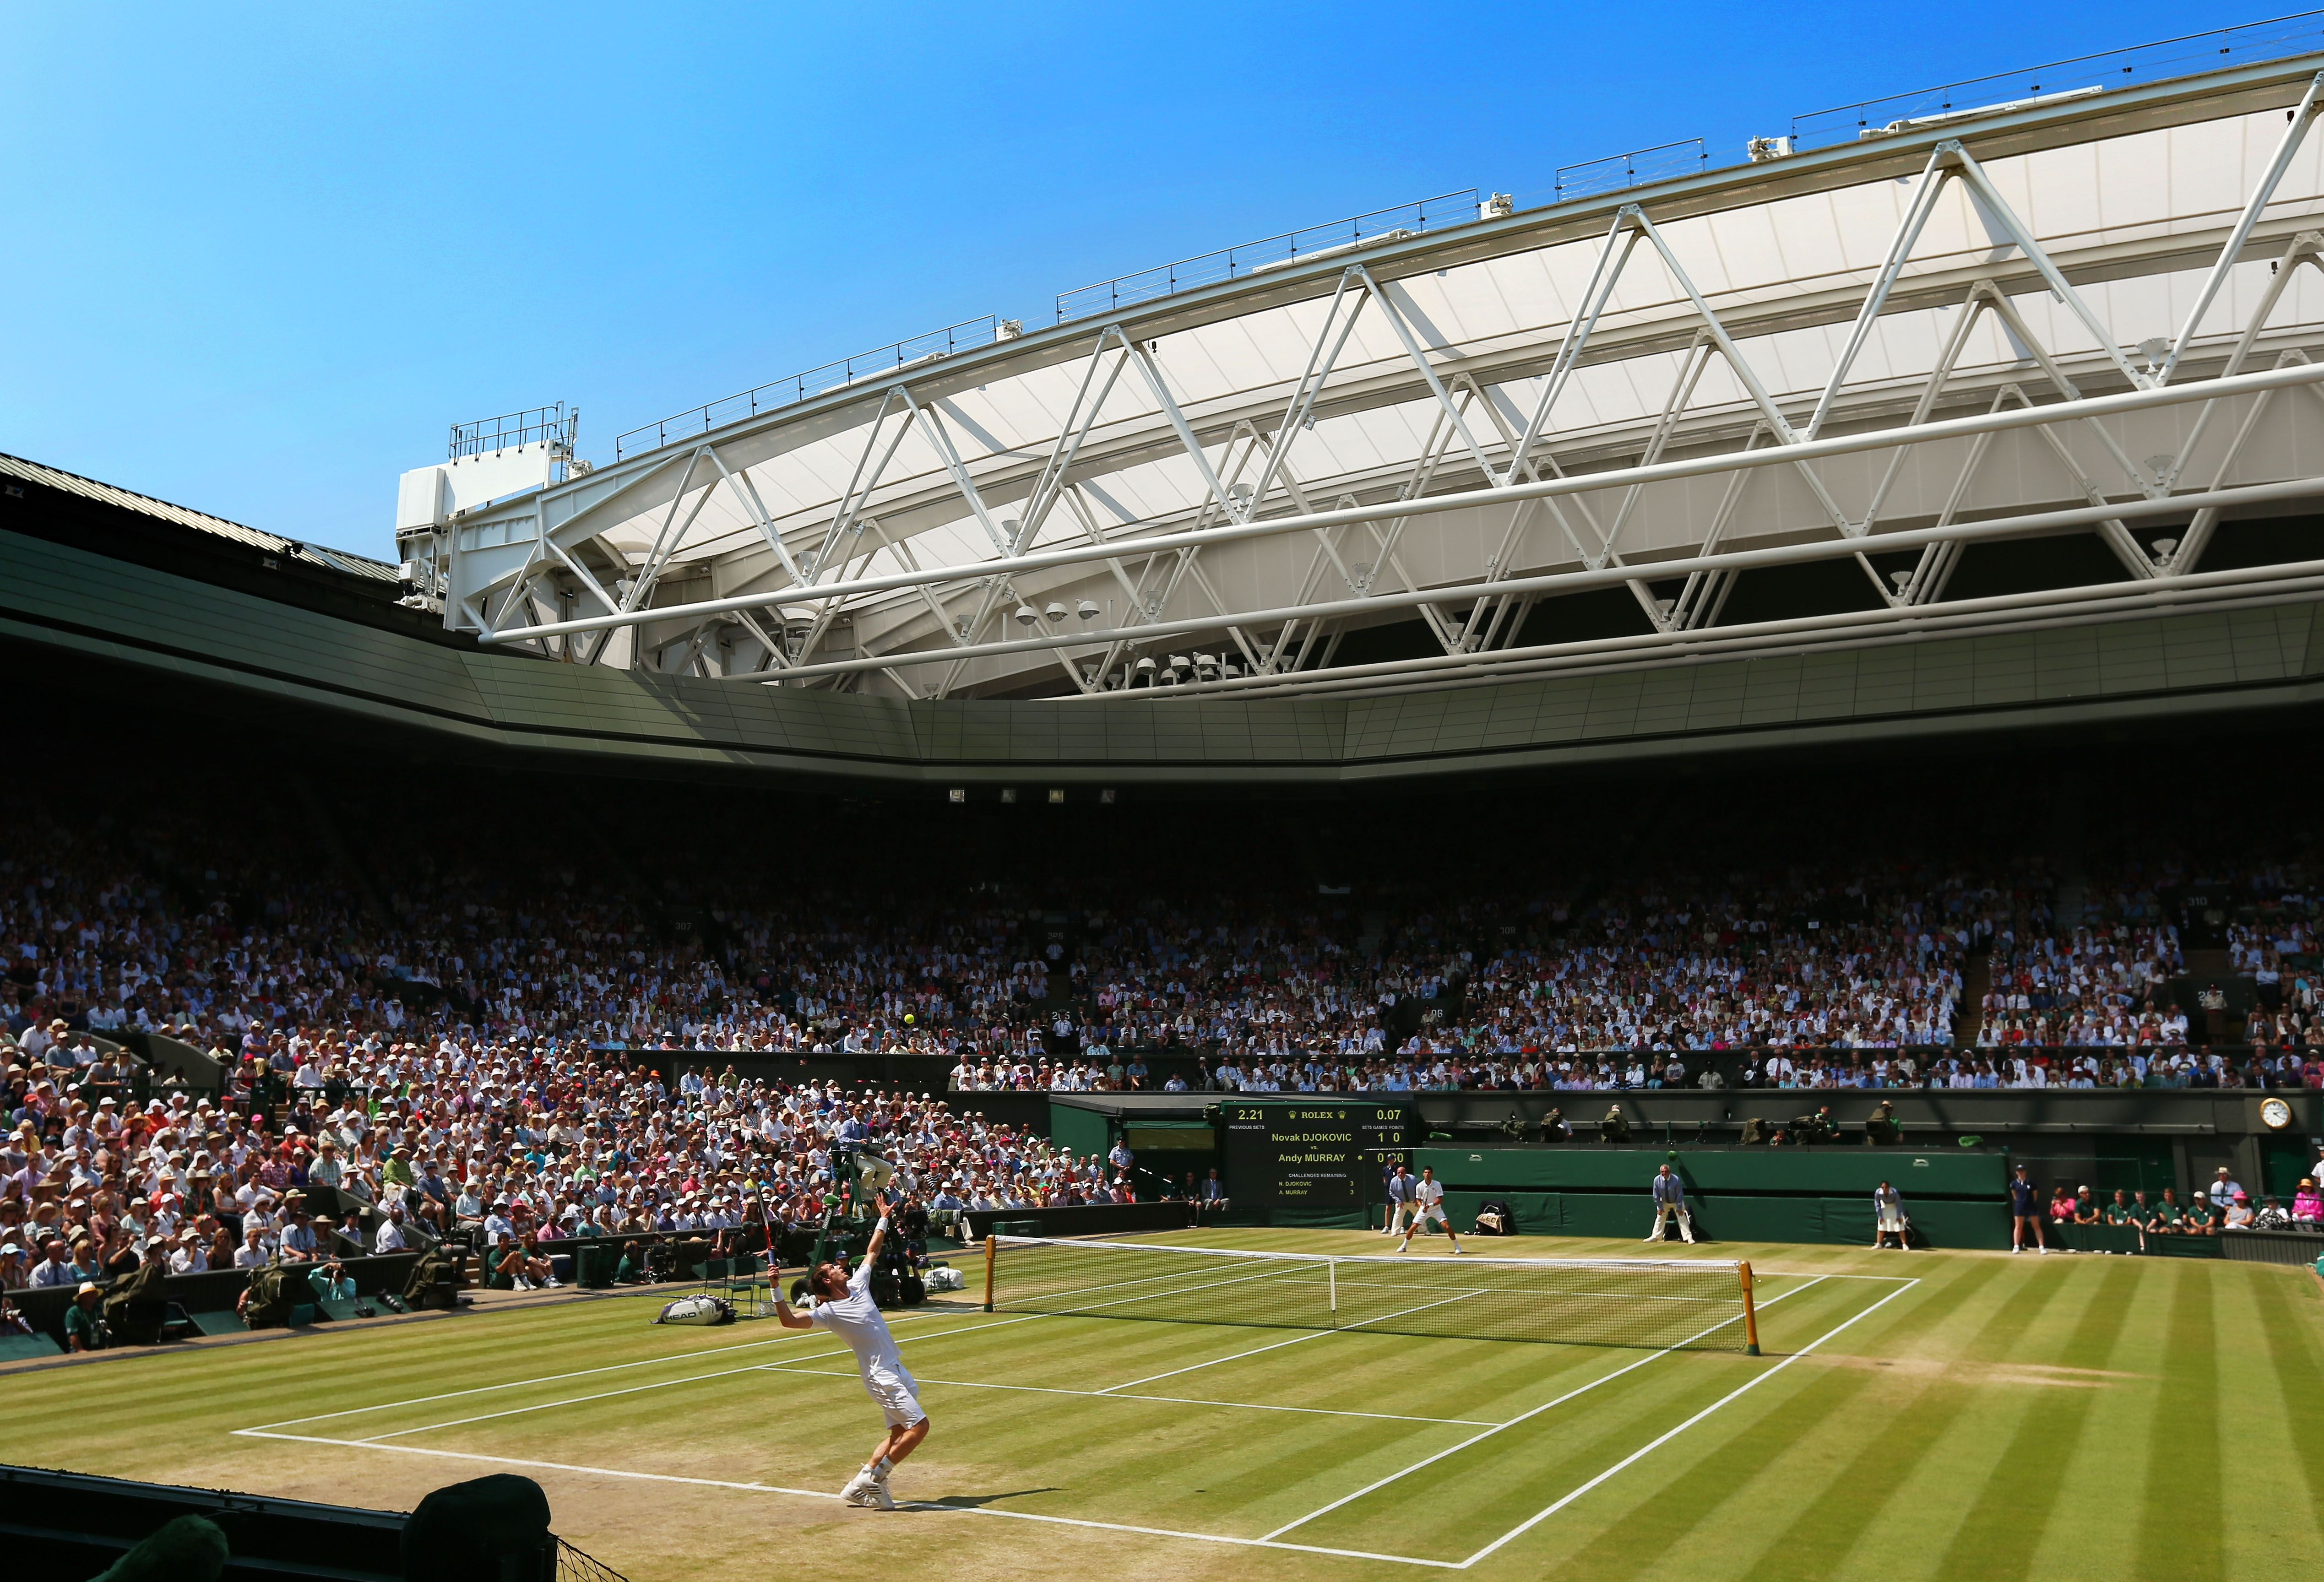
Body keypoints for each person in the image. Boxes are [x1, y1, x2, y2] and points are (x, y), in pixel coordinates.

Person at [774, 1198, 928, 1511]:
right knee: (919, 1427)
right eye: (833, 1268)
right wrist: (776, 1287)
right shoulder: (828, 1312)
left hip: (894, 1366)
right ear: (828, 1282)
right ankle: (877, 1479)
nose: (840, 1266)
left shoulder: (858, 1283)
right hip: (880, 1375)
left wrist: (883, 1219)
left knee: (899, 1431)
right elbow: (789, 1321)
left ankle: (858, 1486)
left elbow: (873, 1251)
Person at [1395, 1165, 1467, 1255]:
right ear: (1423, 1174)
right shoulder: (1419, 1186)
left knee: (1447, 1227)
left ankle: (1457, 1247)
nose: (1427, 1175)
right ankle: (1404, 1246)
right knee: (1413, 1227)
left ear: (1432, 1174)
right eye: (1425, 1173)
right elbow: (1418, 1199)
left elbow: (1440, 1200)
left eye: (1429, 1173)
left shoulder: (1437, 1184)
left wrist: (1429, 1206)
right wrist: (1421, 1206)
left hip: (1436, 1210)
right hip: (1423, 1210)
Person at [1645, 1163, 1695, 1245]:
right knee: (1660, 1217)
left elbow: (1680, 1194)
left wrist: (1679, 1208)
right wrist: (1660, 1207)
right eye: (1662, 1172)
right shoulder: (1657, 1180)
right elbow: (1656, 1195)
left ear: (1669, 1172)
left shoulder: (1676, 1179)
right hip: (1664, 1201)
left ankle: (1689, 1238)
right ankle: (1655, 1237)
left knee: (1682, 1218)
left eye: (1666, 1172)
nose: (1664, 1174)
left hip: (1676, 1201)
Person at [2007, 1165, 2049, 1254]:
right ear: (2016, 1172)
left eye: (2022, 1170)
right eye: (2019, 1171)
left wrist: (2030, 1203)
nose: (2021, 1172)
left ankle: (2041, 1247)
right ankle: (2016, 1246)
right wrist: (2020, 1202)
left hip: (2031, 1207)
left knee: (2037, 1227)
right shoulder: (2014, 1184)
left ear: (2025, 1172)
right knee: (2018, 1227)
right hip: (2019, 1207)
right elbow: (2015, 1196)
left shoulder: (2032, 1183)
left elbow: (2035, 1196)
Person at [64, 1280, 109, 1353]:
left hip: (99, 1348)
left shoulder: (100, 1308)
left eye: (94, 1293)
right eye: (89, 1294)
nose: (93, 1296)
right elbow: (73, 1336)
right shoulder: (73, 1313)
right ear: (82, 1297)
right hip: (78, 1351)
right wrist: (81, 1351)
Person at [1872, 1180, 1907, 1249]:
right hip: (1885, 1208)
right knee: (1881, 1226)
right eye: (1883, 1188)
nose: (1884, 1189)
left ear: (1889, 1187)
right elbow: (1877, 1205)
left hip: (1894, 1208)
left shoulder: (1894, 1192)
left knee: (1900, 1227)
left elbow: (1899, 1204)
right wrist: (1880, 1216)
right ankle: (1879, 1244)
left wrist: (1898, 1216)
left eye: (1886, 1188)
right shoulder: (1878, 1192)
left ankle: (1904, 1245)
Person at [1382, 1163, 1415, 1237]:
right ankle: (1395, 1232)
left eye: (1402, 1173)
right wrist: (1398, 1201)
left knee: (1420, 1215)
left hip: (1413, 1202)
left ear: (1405, 1173)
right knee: (1397, 1216)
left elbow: (1419, 1188)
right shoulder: (1394, 1181)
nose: (1400, 1174)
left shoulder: (1413, 1179)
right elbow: (1391, 1192)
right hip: (1401, 1202)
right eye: (1399, 1173)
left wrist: (1417, 1199)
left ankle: (1424, 1230)